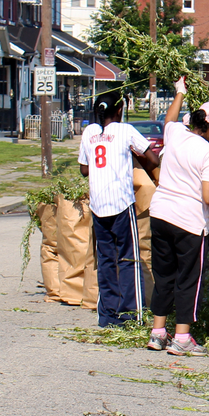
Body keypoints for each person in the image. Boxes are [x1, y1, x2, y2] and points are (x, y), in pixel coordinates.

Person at [146, 77, 209, 357]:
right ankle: (182, 338)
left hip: (160, 214)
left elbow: (170, 118)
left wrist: (179, 92)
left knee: (164, 275)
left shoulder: (176, 135)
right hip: (188, 223)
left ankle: (157, 333)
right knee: (188, 279)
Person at [78, 94, 158, 327]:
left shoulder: (89, 133)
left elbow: (84, 169)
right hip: (121, 203)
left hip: (98, 204)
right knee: (128, 259)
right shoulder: (125, 130)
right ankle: (132, 314)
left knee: (105, 260)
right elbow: (151, 159)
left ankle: (108, 315)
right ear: (120, 109)